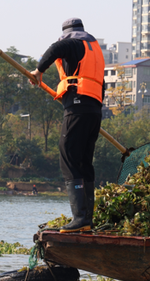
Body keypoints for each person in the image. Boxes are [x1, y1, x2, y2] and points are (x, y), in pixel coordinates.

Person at [29, 18, 105, 233]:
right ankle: (86, 220)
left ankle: (80, 218)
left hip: (78, 109)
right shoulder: (94, 50)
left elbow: (55, 48)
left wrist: (38, 71)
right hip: (94, 111)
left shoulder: (72, 43)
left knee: (68, 157)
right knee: (84, 162)